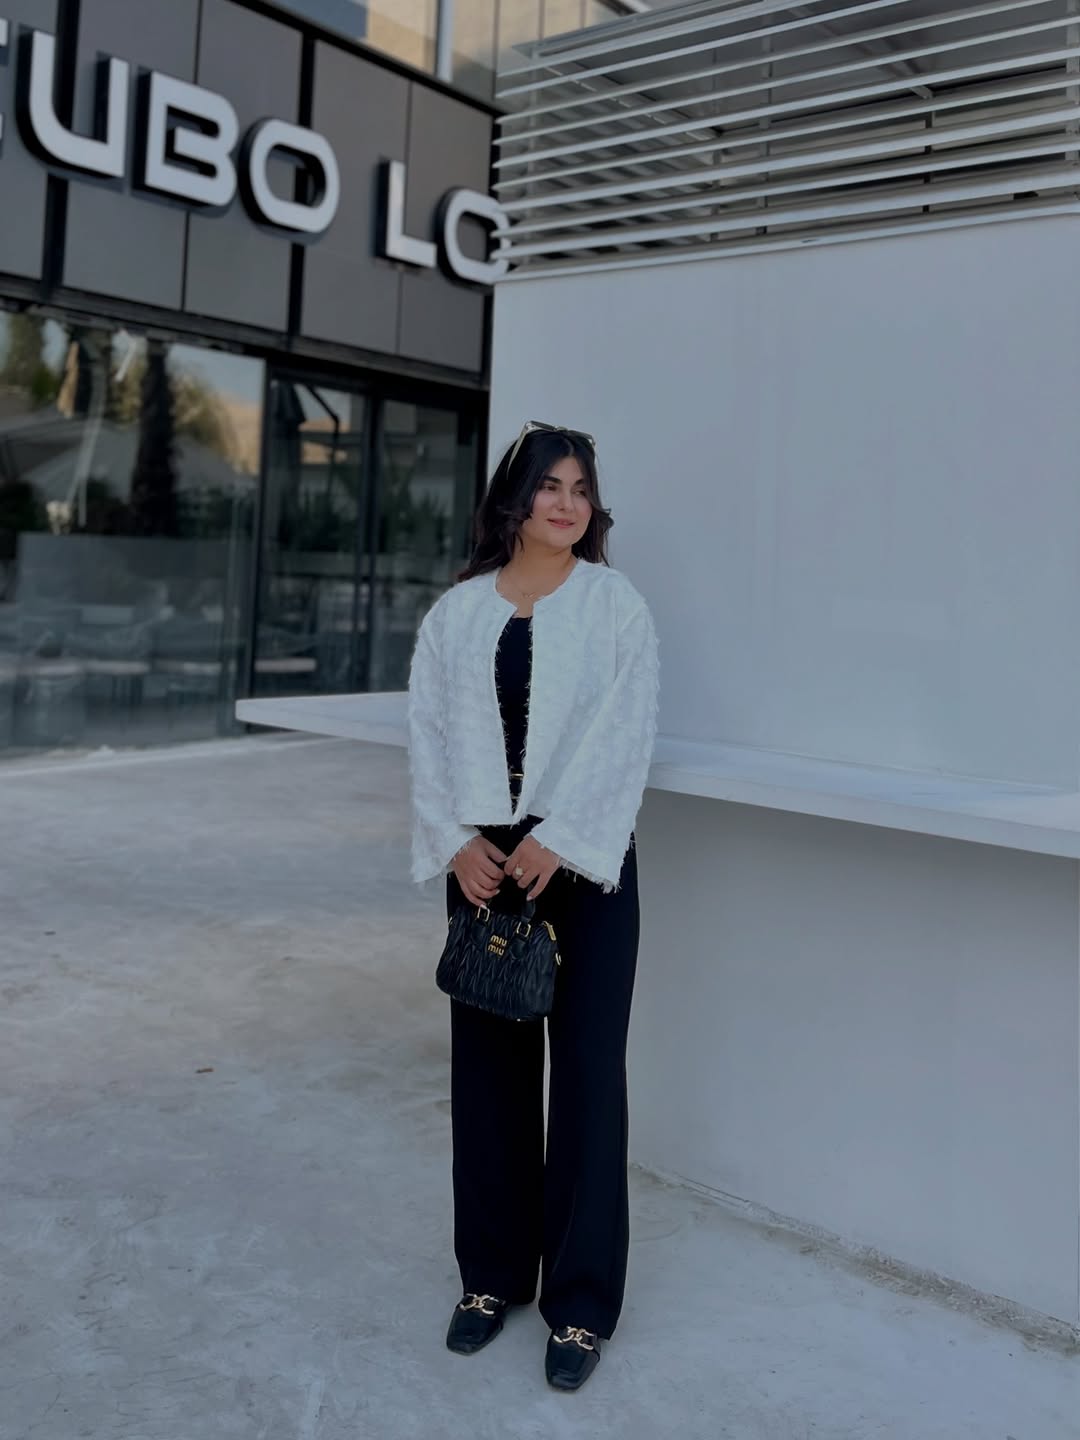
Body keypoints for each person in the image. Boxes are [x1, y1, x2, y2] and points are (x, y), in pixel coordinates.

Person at [406, 419, 660, 1392]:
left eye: (581, 489)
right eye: (550, 485)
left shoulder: (612, 604)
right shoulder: (458, 612)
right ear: (514, 497)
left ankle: (582, 1304)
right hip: (483, 862)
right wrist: (456, 841)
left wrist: (563, 834)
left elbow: (626, 731)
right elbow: (429, 734)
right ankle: (491, 1279)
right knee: (489, 1074)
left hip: (583, 863)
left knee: (588, 1078)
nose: (567, 503)